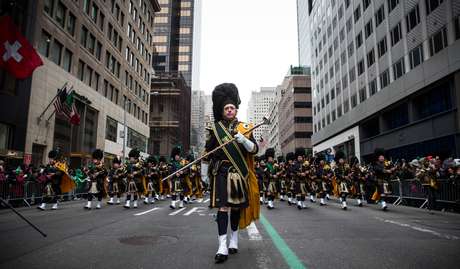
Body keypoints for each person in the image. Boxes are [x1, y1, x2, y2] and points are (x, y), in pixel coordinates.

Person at [201, 83, 259, 264]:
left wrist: (243, 141)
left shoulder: (245, 128)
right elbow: (206, 153)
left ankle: (234, 239)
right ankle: (222, 246)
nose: (229, 110)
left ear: (236, 109)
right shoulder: (214, 130)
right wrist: (204, 174)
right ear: (222, 110)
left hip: (238, 174)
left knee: (235, 208)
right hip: (220, 173)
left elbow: (255, 150)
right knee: (222, 208)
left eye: (232, 108)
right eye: (226, 108)